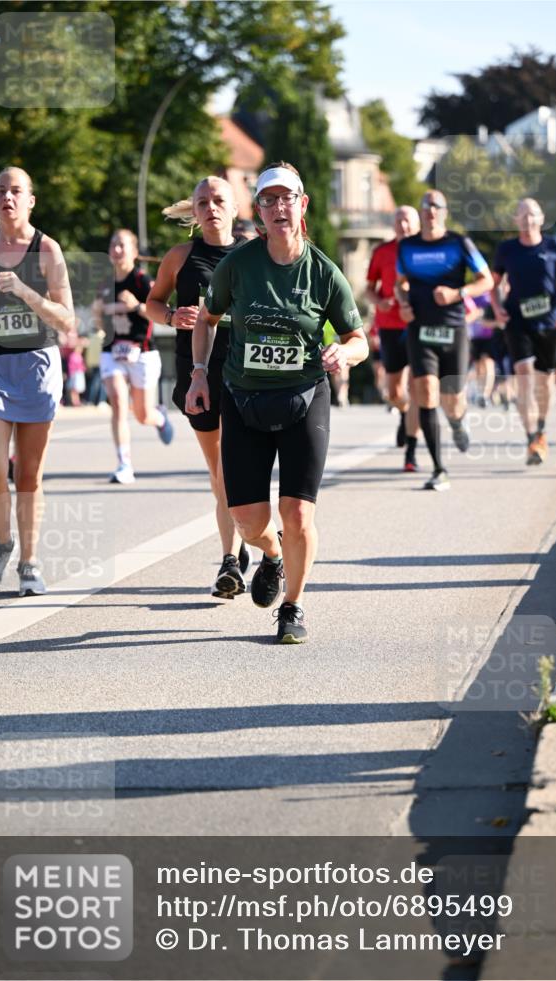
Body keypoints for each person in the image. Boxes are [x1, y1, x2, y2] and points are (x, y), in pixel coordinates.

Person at [185, 162, 368, 643]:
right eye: (268, 200)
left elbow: (359, 337)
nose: (279, 207)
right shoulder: (238, 265)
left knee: (299, 512)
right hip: (243, 400)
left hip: (304, 399)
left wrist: (343, 352)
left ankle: (293, 607)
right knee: (248, 521)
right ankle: (271, 555)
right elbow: (206, 320)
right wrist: (199, 375)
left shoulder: (323, 273)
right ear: (259, 211)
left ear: (302, 205)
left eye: (287, 198)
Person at [0, 166, 74, 595]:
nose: (7, 198)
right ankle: (1, 544)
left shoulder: (47, 249)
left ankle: (29, 562)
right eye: (0, 191)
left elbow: (65, 318)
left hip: (35, 367)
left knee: (28, 475)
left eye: (16, 191)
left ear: (30, 200)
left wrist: (27, 293)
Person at [146, 176, 251, 598]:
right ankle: (243, 535)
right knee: (219, 474)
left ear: (235, 207)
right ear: (194, 209)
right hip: (199, 376)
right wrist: (172, 318)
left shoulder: (252, 254)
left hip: (247, 374)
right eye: (203, 201)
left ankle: (230, 560)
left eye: (219, 200)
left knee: (233, 469)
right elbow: (152, 303)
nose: (211, 207)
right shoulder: (180, 257)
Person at [395, 190, 493, 491]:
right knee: (425, 391)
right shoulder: (407, 246)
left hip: (453, 329)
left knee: (453, 398)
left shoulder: (459, 243)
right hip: (420, 330)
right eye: (425, 206)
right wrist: (403, 303)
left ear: (444, 212)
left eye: (436, 207)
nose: (430, 211)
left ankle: (457, 421)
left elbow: (486, 280)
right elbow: (400, 284)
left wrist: (457, 293)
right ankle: (439, 468)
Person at [491, 198, 556, 464]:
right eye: (522, 215)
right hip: (517, 321)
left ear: (541, 219)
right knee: (524, 374)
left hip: (548, 323)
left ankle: (540, 427)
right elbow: (493, 285)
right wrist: (497, 307)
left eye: (532, 215)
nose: (528, 220)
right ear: (516, 220)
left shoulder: (555, 247)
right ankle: (531, 438)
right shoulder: (506, 250)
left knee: (544, 382)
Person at [93, 229, 173, 484]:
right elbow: (100, 323)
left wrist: (136, 306)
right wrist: (98, 315)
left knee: (142, 415)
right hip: (112, 351)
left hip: (142, 352)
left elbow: (161, 313)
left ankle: (158, 417)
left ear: (134, 252)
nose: (117, 250)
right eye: (113, 245)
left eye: (122, 245)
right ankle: (124, 464)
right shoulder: (105, 285)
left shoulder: (143, 282)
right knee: (117, 402)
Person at [366, 205, 421, 470]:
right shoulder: (382, 252)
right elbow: (369, 289)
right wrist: (380, 302)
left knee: (417, 385)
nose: (404, 226)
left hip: (418, 325)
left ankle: (411, 451)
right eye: (399, 221)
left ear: (417, 225)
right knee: (394, 391)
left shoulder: (425, 251)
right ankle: (403, 412)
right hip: (389, 326)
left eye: (408, 221)